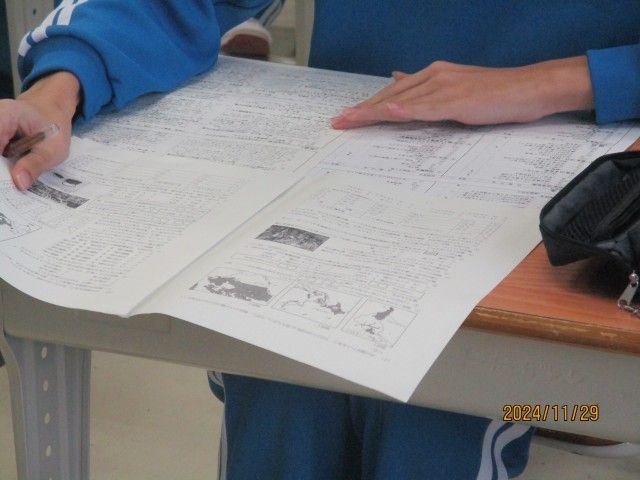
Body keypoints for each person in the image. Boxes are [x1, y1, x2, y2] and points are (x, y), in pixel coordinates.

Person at [2, 1, 640, 478]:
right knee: (281, 379)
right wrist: (63, 85)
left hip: (567, 170)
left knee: (428, 410)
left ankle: (559, 416)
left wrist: (557, 81)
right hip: (349, 158)